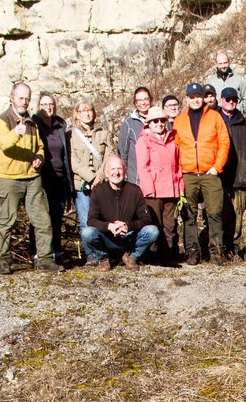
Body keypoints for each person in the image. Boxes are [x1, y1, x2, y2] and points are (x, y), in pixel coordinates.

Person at [0, 81, 59, 274]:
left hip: (32, 177)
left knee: (42, 219)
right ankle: (4, 261)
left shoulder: (32, 121)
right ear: (12, 98)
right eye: (21, 98)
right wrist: (16, 133)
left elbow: (39, 146)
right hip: (9, 178)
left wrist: (39, 157)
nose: (24, 101)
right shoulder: (1, 120)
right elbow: (3, 144)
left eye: (27, 98)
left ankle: (45, 259)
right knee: (6, 221)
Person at [173, 82, 232, 264]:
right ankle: (192, 251)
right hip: (188, 173)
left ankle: (217, 251)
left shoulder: (214, 117)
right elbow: (175, 147)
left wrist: (217, 166)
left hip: (210, 173)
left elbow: (224, 142)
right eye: (192, 97)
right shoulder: (179, 120)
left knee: (214, 213)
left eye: (198, 96)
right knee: (188, 215)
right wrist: (179, 172)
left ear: (203, 97)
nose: (196, 99)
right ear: (187, 99)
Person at [82, 153, 160, 271]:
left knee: (153, 231)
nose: (116, 172)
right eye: (112, 169)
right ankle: (103, 259)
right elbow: (91, 220)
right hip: (108, 237)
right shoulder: (98, 191)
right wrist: (109, 226)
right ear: (107, 173)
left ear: (125, 171)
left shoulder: (134, 190)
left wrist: (128, 225)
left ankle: (132, 257)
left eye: (119, 168)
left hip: (129, 237)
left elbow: (146, 218)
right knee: (87, 233)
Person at [134, 105, 183, 266]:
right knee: (155, 224)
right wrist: (149, 190)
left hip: (171, 189)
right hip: (154, 191)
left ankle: (167, 256)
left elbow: (177, 165)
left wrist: (180, 187)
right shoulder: (143, 141)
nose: (159, 124)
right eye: (155, 121)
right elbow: (143, 167)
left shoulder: (171, 138)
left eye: (162, 120)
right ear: (149, 123)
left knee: (170, 225)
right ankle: (153, 257)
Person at [28, 93, 72, 264]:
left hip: (60, 178)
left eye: (51, 103)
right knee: (40, 216)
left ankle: (56, 251)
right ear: (38, 106)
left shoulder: (60, 126)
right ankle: (38, 252)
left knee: (56, 215)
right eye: (44, 104)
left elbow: (65, 154)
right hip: (42, 177)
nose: (48, 107)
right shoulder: (34, 125)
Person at [219, 87, 246, 257]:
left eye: (234, 99)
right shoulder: (214, 120)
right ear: (221, 101)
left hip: (240, 177)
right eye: (228, 99)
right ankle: (219, 248)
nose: (231, 102)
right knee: (219, 215)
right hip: (219, 178)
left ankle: (233, 249)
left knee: (238, 217)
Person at [68, 101, 110, 237]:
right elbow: (73, 161)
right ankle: (92, 255)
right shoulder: (71, 135)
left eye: (89, 110)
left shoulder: (104, 133)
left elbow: (110, 156)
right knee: (86, 222)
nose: (87, 113)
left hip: (101, 183)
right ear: (77, 115)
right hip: (82, 185)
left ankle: (104, 253)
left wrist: (100, 176)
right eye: (83, 111)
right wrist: (91, 178)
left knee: (104, 219)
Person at [118, 87, 152, 183]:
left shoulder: (160, 120)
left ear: (151, 99)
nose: (143, 103)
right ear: (135, 103)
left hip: (158, 178)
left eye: (145, 99)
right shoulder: (129, 124)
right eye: (139, 100)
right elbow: (123, 153)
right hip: (137, 179)